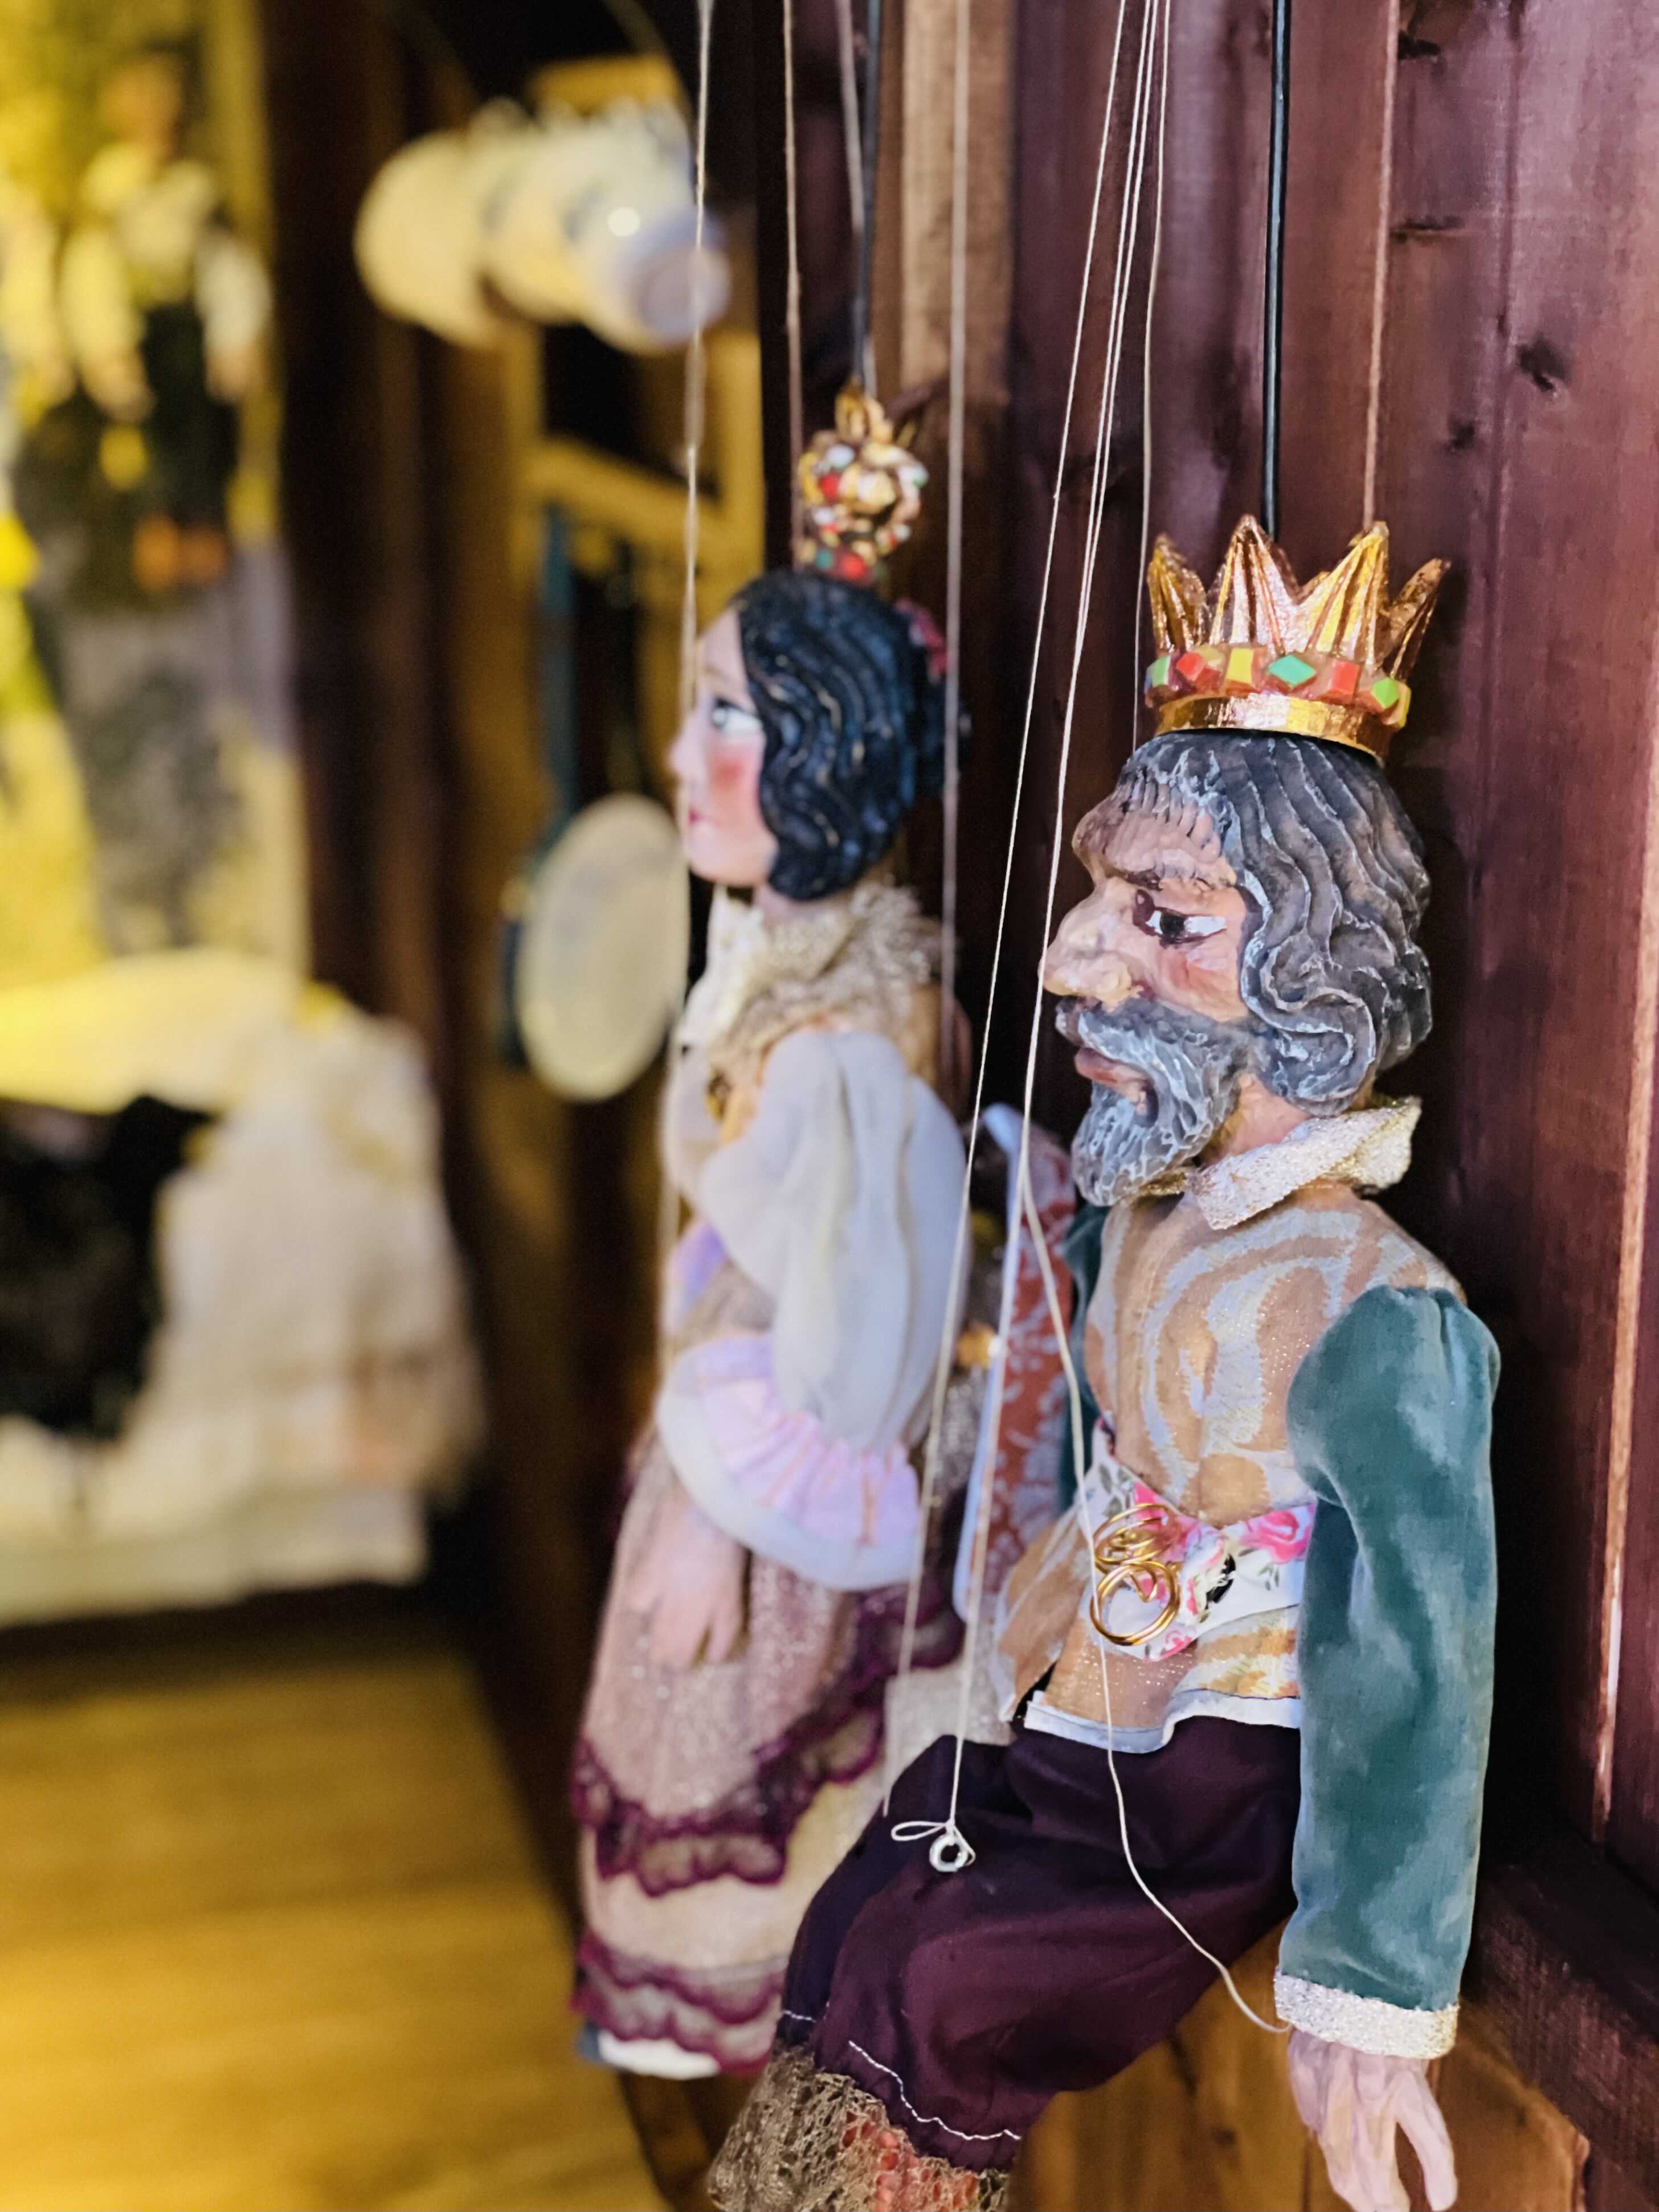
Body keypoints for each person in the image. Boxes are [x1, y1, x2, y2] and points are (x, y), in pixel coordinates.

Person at [710, 517, 1498, 2212]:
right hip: (1083, 1714)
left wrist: (1367, 1997)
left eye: (1165, 919)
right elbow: (1094, 1456)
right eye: (1100, 900)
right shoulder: (1142, 1217)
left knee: (940, 1980)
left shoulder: (1375, 1307)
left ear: (1308, 976)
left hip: (1211, 1777)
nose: (1077, 959)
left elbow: (1415, 1664)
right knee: (860, 1909)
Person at [572, 562, 974, 2078]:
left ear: (827, 746)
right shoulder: (780, 979)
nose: (685, 754)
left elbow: (857, 1351)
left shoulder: (852, 1043)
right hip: (723, 1398)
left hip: (787, 1466)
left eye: (727, 714)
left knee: (760, 1790)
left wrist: (718, 1518)